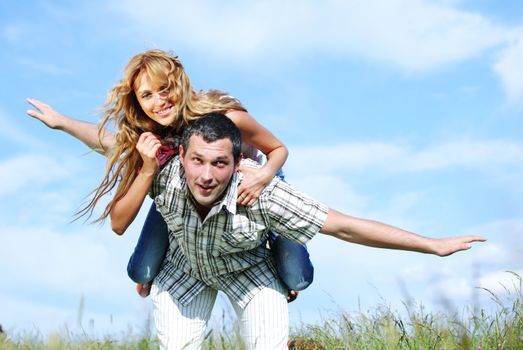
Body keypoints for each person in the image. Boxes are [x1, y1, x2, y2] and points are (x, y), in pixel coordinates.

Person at [111, 113, 485, 349]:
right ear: (182, 158)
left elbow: (345, 227)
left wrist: (431, 245)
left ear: (238, 162)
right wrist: (64, 123)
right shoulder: (162, 175)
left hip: (249, 273)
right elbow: (115, 207)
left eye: (220, 163)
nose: (206, 176)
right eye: (198, 161)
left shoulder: (262, 194)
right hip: (185, 270)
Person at [26, 49, 312, 300]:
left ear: (180, 85)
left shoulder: (223, 114)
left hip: (257, 180)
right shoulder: (153, 136)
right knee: (140, 271)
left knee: (298, 277)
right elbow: (108, 141)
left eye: (165, 89)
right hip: (195, 192)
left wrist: (263, 178)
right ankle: (172, 259)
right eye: (147, 95)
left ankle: (273, 252)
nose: (159, 101)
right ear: (138, 101)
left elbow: (278, 149)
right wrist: (62, 122)